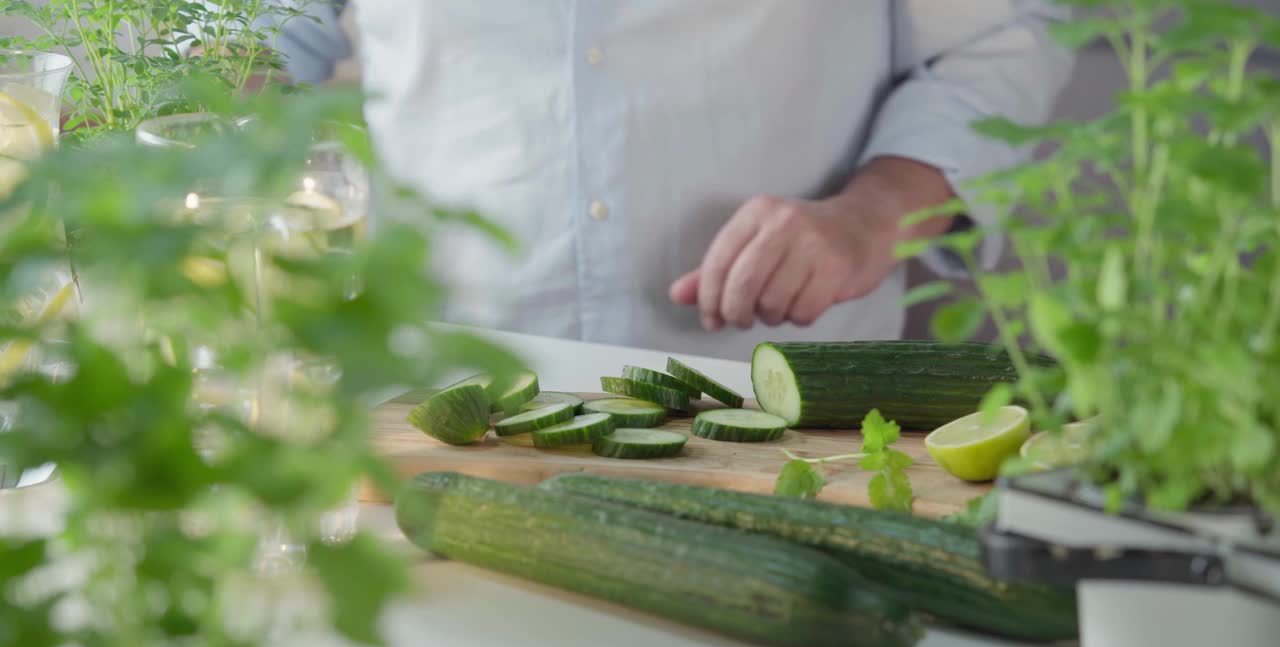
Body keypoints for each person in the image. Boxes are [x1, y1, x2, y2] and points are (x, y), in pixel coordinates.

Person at [261, 2, 1074, 360]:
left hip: (785, 400)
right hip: (435, 390)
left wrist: (874, 214)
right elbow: (249, 44)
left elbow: (997, 43)